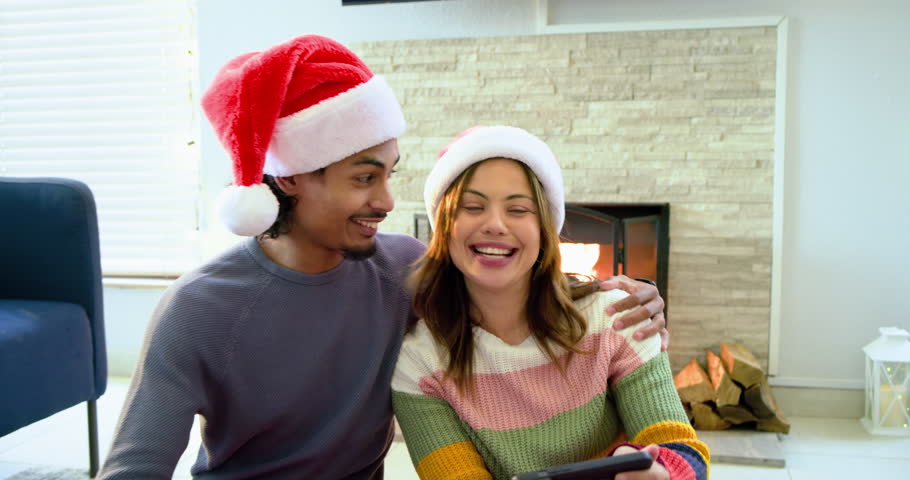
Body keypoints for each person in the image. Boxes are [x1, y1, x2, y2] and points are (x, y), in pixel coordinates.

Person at [99, 36, 668, 479]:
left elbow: (510, 282)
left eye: (389, 174)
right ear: (291, 177)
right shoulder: (199, 310)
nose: (387, 201)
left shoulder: (402, 270)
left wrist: (628, 292)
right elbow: (135, 469)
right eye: (365, 178)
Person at [391, 126, 708, 480]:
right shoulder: (418, 362)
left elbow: (681, 449)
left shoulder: (618, 319)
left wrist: (663, 473)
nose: (495, 224)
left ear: (545, 231)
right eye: (473, 206)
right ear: (444, 227)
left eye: (518, 209)